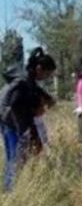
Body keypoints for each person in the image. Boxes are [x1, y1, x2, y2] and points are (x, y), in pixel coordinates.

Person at [0, 48, 56, 190]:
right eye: (47, 73)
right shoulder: (23, 82)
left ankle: (13, 189)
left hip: (8, 122)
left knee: (15, 158)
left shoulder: (27, 80)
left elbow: (36, 90)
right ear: (39, 68)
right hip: (11, 124)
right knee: (15, 158)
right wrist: (23, 131)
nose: (47, 77)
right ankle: (11, 191)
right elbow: (15, 105)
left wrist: (48, 98)